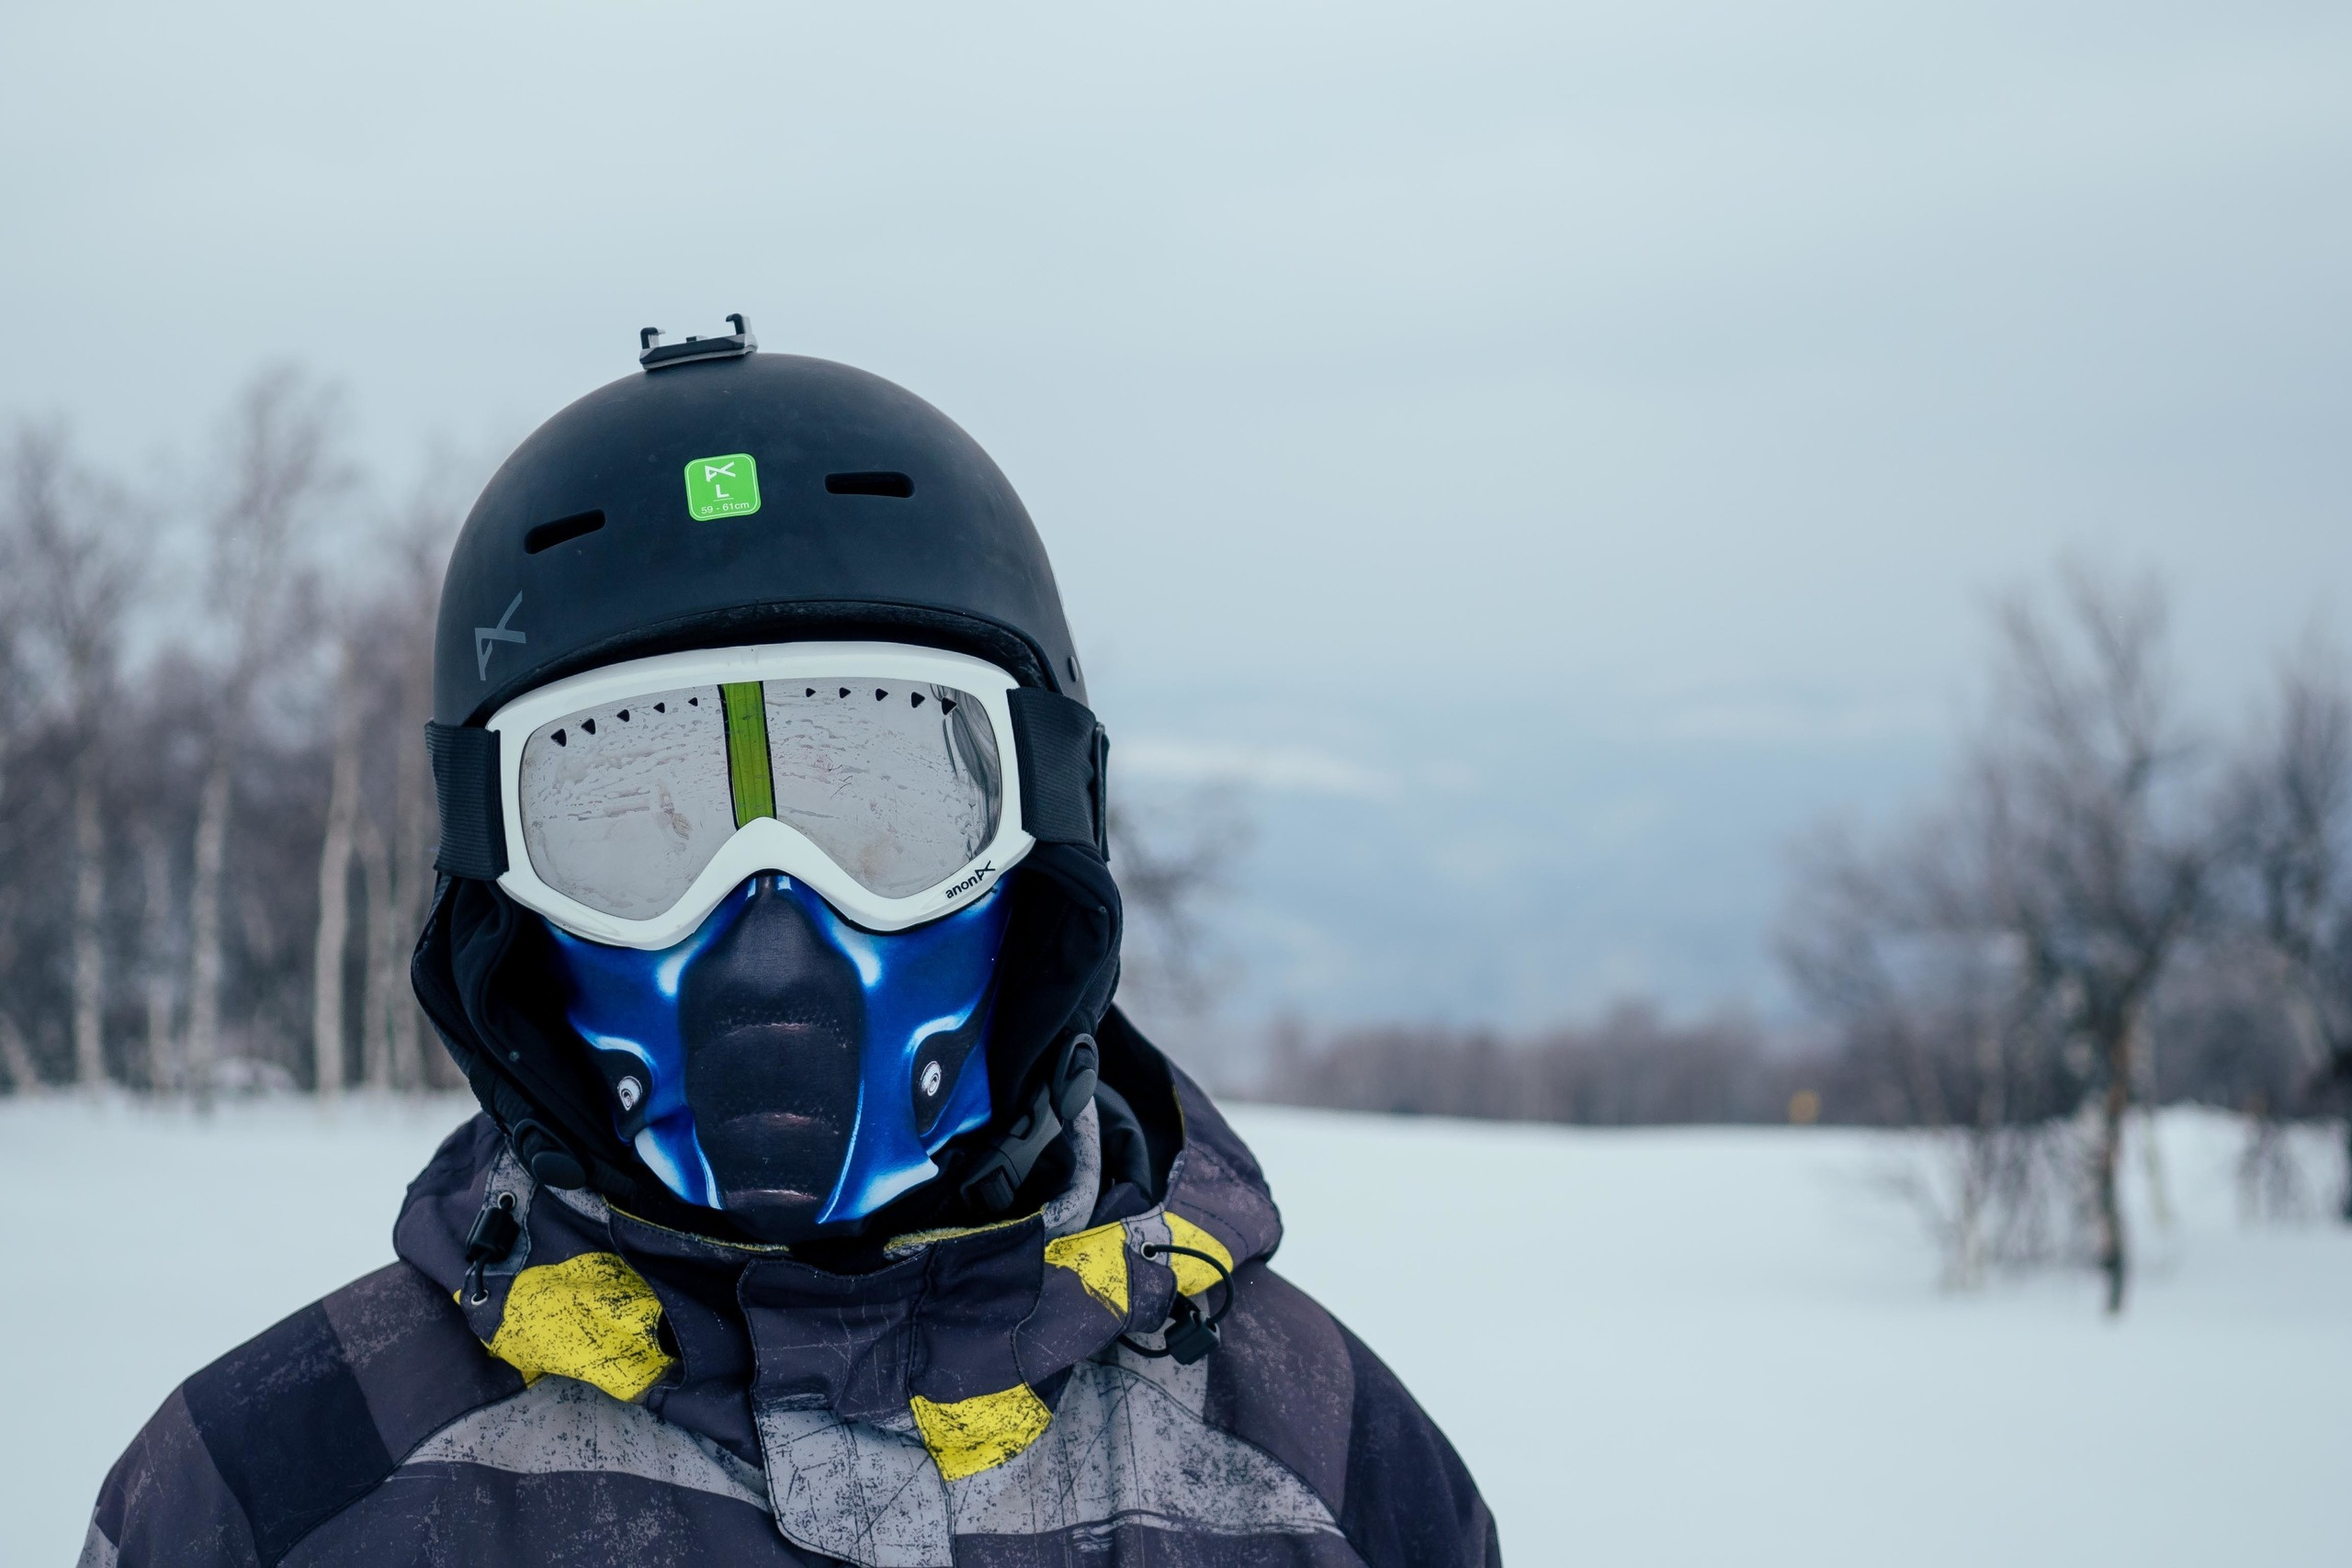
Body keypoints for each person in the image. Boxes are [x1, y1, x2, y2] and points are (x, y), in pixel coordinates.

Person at [79, 320, 1499, 1568]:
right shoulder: (267, 1496)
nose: (774, 915)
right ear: (498, 902)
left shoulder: (1330, 1481)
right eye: (633, 819)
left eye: (877, 796)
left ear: (1048, 829)